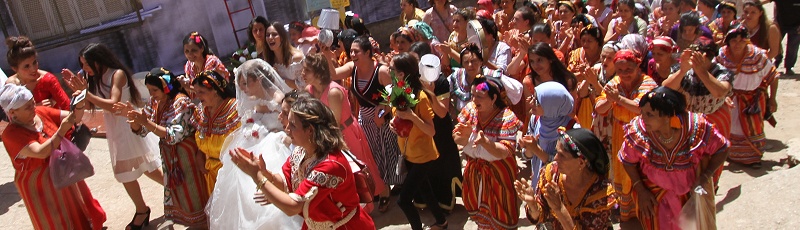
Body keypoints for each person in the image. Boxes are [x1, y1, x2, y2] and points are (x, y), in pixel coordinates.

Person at [230, 97, 376, 229]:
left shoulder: (331, 164)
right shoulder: (301, 152)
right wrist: (265, 173)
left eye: (293, 125)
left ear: (310, 130)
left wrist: (257, 176)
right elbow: (284, 182)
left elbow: (293, 207)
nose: (287, 128)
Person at [62, 43, 163, 230]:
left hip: (129, 126)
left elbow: (113, 104)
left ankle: (171, 196)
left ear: (99, 60)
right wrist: (80, 94)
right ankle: (144, 208)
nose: (84, 68)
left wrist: (86, 94)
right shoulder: (93, 78)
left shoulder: (117, 74)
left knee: (142, 168)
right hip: (116, 130)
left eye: (87, 63)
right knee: (129, 172)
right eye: (82, 64)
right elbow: (90, 106)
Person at [204, 59, 303, 229]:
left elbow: (288, 124)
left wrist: (276, 135)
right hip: (254, 146)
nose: (242, 88)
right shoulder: (250, 99)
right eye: (240, 84)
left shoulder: (278, 99)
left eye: (245, 83)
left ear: (258, 79)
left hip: (275, 149)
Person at [0, 84, 106, 230]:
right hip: (40, 185)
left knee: (77, 215)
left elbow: (74, 118)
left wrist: (79, 105)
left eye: (32, 103)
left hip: (63, 173)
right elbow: (41, 152)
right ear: (13, 112)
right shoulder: (12, 134)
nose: (33, 108)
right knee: (54, 222)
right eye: (27, 107)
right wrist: (62, 130)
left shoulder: (41, 112)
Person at [620, 86, 728, 229]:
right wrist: (641, 191)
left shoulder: (697, 128)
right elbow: (627, 160)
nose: (643, 118)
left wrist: (705, 176)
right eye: (642, 112)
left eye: (650, 114)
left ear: (667, 116)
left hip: (689, 196)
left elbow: (722, 148)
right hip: (655, 198)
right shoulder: (639, 131)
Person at [117, 68, 208, 227]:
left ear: (166, 87)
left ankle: (202, 224)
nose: (151, 94)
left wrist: (146, 123)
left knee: (193, 192)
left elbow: (174, 135)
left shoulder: (181, 103)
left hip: (187, 155)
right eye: (149, 90)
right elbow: (144, 130)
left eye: (155, 90)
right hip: (170, 155)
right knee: (180, 192)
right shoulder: (155, 102)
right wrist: (135, 121)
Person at [302, 53, 385, 211]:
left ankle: (380, 196)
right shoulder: (309, 90)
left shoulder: (333, 92)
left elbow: (334, 122)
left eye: (307, 70)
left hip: (346, 133)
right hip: (328, 136)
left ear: (318, 72)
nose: (302, 74)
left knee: (360, 169)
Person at [331, 36, 401, 211]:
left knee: (387, 152)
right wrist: (325, 53)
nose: (353, 54)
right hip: (364, 118)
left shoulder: (382, 71)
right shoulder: (352, 68)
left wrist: (382, 111)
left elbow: (396, 94)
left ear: (368, 52)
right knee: (371, 155)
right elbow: (333, 74)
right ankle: (380, 188)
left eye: (357, 51)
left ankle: (390, 189)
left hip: (382, 119)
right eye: (351, 51)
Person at [594, 49, 658, 223]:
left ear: (638, 66)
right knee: (622, 172)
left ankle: (645, 212)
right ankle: (627, 212)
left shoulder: (648, 83)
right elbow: (599, 108)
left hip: (643, 135)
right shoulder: (615, 83)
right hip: (620, 134)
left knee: (642, 172)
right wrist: (610, 100)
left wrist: (618, 99)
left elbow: (641, 108)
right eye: (620, 70)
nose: (624, 74)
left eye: (628, 69)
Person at [388, 53, 449, 230]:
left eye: (392, 69)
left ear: (401, 74)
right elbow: (398, 116)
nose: (389, 72)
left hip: (422, 155)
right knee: (425, 190)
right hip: (408, 152)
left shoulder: (421, 97)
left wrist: (412, 117)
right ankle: (442, 222)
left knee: (404, 200)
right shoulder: (397, 92)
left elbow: (431, 130)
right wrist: (393, 123)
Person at [662, 37, 733, 188]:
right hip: (689, 120)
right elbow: (666, 88)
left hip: (715, 119)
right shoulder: (682, 69)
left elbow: (720, 92)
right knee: (688, 162)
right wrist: (683, 70)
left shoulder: (722, 72)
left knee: (712, 159)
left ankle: (710, 188)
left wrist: (702, 72)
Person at [453, 75, 522, 229]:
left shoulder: (507, 117)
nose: (474, 99)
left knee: (501, 212)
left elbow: (504, 152)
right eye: (472, 95)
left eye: (480, 96)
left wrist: (486, 142)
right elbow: (457, 138)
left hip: (499, 174)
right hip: (475, 172)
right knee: (480, 212)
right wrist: (464, 137)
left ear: (494, 98)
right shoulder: (470, 109)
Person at [515, 128, 614, 230]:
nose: (555, 158)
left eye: (562, 155)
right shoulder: (551, 174)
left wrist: (559, 208)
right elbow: (541, 215)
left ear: (581, 163)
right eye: (556, 152)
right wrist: (533, 206)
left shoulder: (600, 194)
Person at [409, 42, 463, 212]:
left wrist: (430, 93)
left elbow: (441, 112)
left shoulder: (440, 81)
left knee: (442, 166)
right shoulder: (411, 81)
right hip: (422, 129)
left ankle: (444, 202)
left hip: (440, 132)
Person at [715, 26, 779, 168]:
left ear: (747, 41)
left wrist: (773, 99)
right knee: (730, 127)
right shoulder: (722, 56)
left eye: (741, 40)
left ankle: (753, 158)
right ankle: (732, 155)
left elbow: (773, 76)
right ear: (728, 41)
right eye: (734, 41)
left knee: (753, 129)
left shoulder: (757, 56)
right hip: (730, 99)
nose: (737, 44)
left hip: (753, 100)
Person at [190, 70, 239, 194]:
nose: (197, 96)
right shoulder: (202, 111)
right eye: (196, 92)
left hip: (231, 171)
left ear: (215, 90)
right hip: (210, 171)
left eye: (202, 92)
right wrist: (200, 154)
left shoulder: (234, 110)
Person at [520, 82, 577, 182]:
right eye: (533, 98)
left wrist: (536, 149)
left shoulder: (571, 130)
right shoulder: (536, 119)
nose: (531, 103)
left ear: (552, 106)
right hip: (538, 180)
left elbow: (563, 164)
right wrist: (528, 148)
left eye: (537, 102)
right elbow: (527, 156)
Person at [4, 36, 70, 110]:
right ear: (15, 68)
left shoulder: (48, 80)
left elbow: (67, 107)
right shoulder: (11, 86)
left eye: (34, 62)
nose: (33, 69)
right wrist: (37, 108)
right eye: (26, 66)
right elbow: (11, 113)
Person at [447, 44, 508, 118]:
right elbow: (443, 89)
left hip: (491, 119)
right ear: (462, 64)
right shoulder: (457, 76)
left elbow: (515, 90)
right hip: (464, 119)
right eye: (466, 62)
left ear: (481, 62)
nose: (470, 65)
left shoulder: (492, 75)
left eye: (473, 61)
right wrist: (450, 106)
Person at [568, 26, 604, 125]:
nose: (585, 44)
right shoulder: (576, 54)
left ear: (597, 42)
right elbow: (568, 76)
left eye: (589, 41)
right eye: (583, 40)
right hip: (577, 99)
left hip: (598, 99)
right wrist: (584, 75)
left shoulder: (604, 56)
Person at [181, 32, 231, 96]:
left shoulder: (212, 62)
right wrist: (182, 83)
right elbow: (192, 94)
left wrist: (187, 87)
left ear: (202, 48)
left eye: (194, 50)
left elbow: (210, 90)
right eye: (186, 51)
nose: (190, 54)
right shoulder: (189, 66)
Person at [263, 22, 306, 90]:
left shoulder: (297, 58)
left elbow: (304, 86)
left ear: (282, 37)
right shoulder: (268, 61)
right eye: (267, 35)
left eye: (274, 34)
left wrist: (279, 78)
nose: (270, 38)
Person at [767, 0, 800, 75]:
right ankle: (777, 60)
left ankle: (789, 67)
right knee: (775, 44)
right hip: (780, 23)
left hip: (796, 25)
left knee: (792, 48)